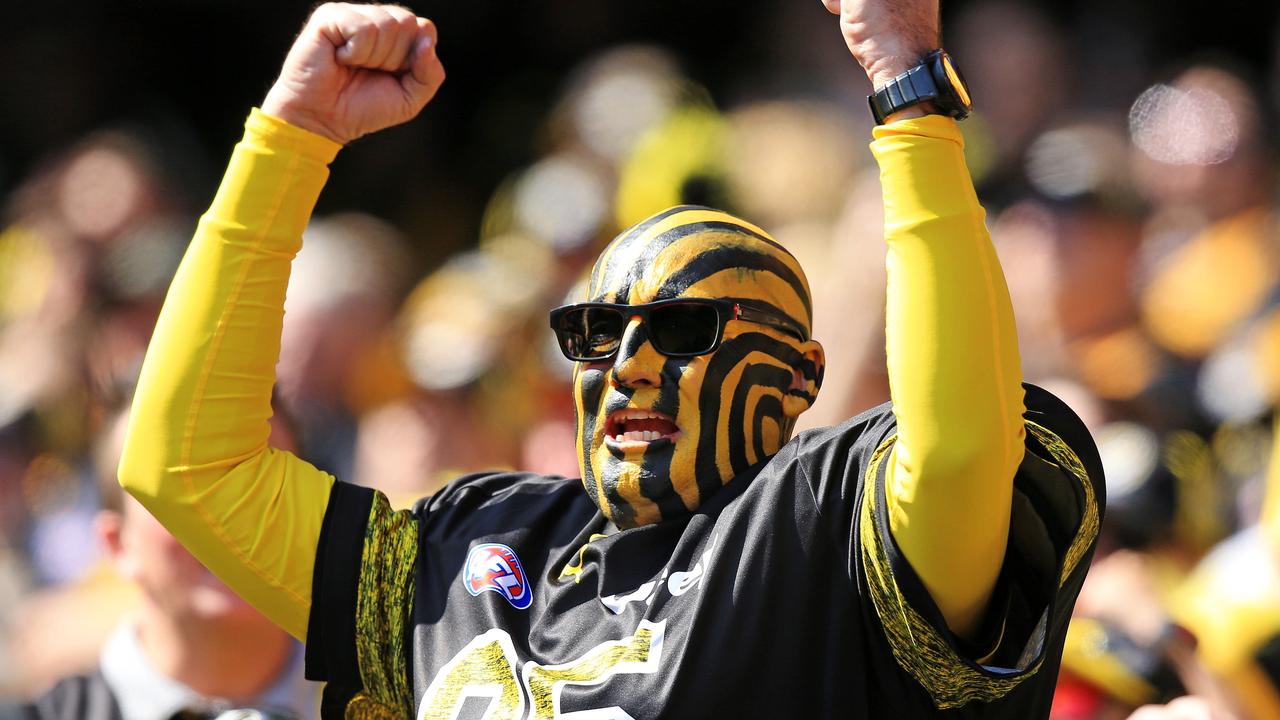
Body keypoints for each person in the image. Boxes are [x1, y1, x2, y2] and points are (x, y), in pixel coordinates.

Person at [118, 0, 1104, 717]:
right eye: (595, 333)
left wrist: (908, 96)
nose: (628, 366)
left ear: (800, 377)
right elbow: (184, 470)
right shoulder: (458, 551)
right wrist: (290, 140)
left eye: (680, 334)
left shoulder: (828, 519)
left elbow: (962, 453)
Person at [3, 409, 318, 720]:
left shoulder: (364, 690)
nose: (230, 517)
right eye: (184, 484)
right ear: (118, 543)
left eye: (260, 479)